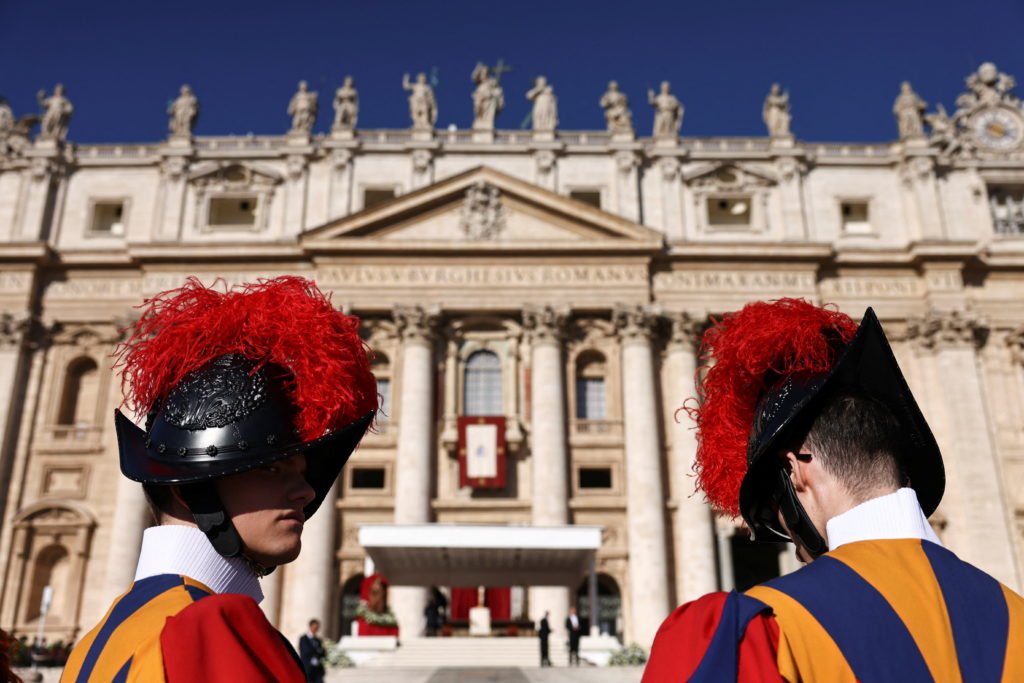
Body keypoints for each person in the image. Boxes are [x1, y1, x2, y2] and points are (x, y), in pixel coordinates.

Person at [643, 298, 1024, 682]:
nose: (794, 548)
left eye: (778, 517)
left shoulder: (757, 633)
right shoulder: (1015, 617)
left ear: (794, 472)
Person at [60, 277, 377, 682]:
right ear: (190, 489)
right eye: (271, 468)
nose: (307, 491)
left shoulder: (95, 643)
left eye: (301, 471)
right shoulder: (212, 628)